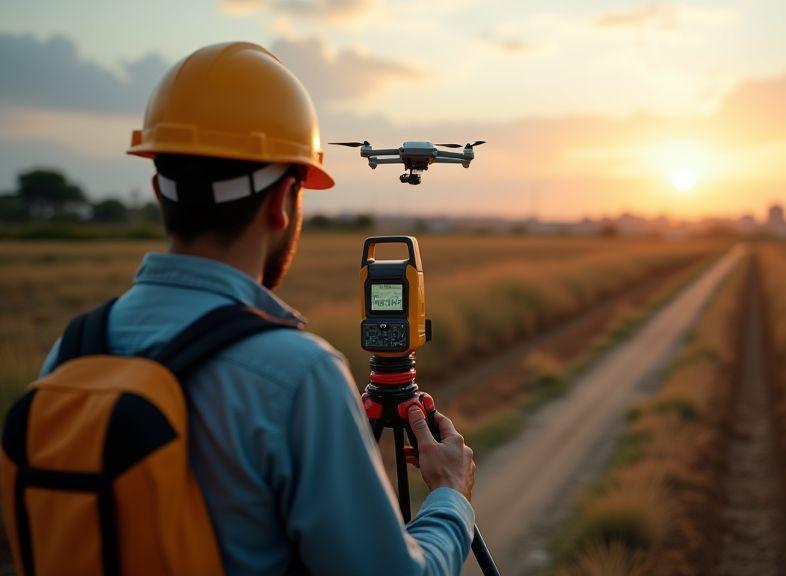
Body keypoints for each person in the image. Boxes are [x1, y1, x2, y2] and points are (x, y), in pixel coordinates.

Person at [37, 41, 477, 575]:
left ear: (158, 189)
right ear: (282, 201)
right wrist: (451, 497)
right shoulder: (297, 377)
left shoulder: (73, 352)